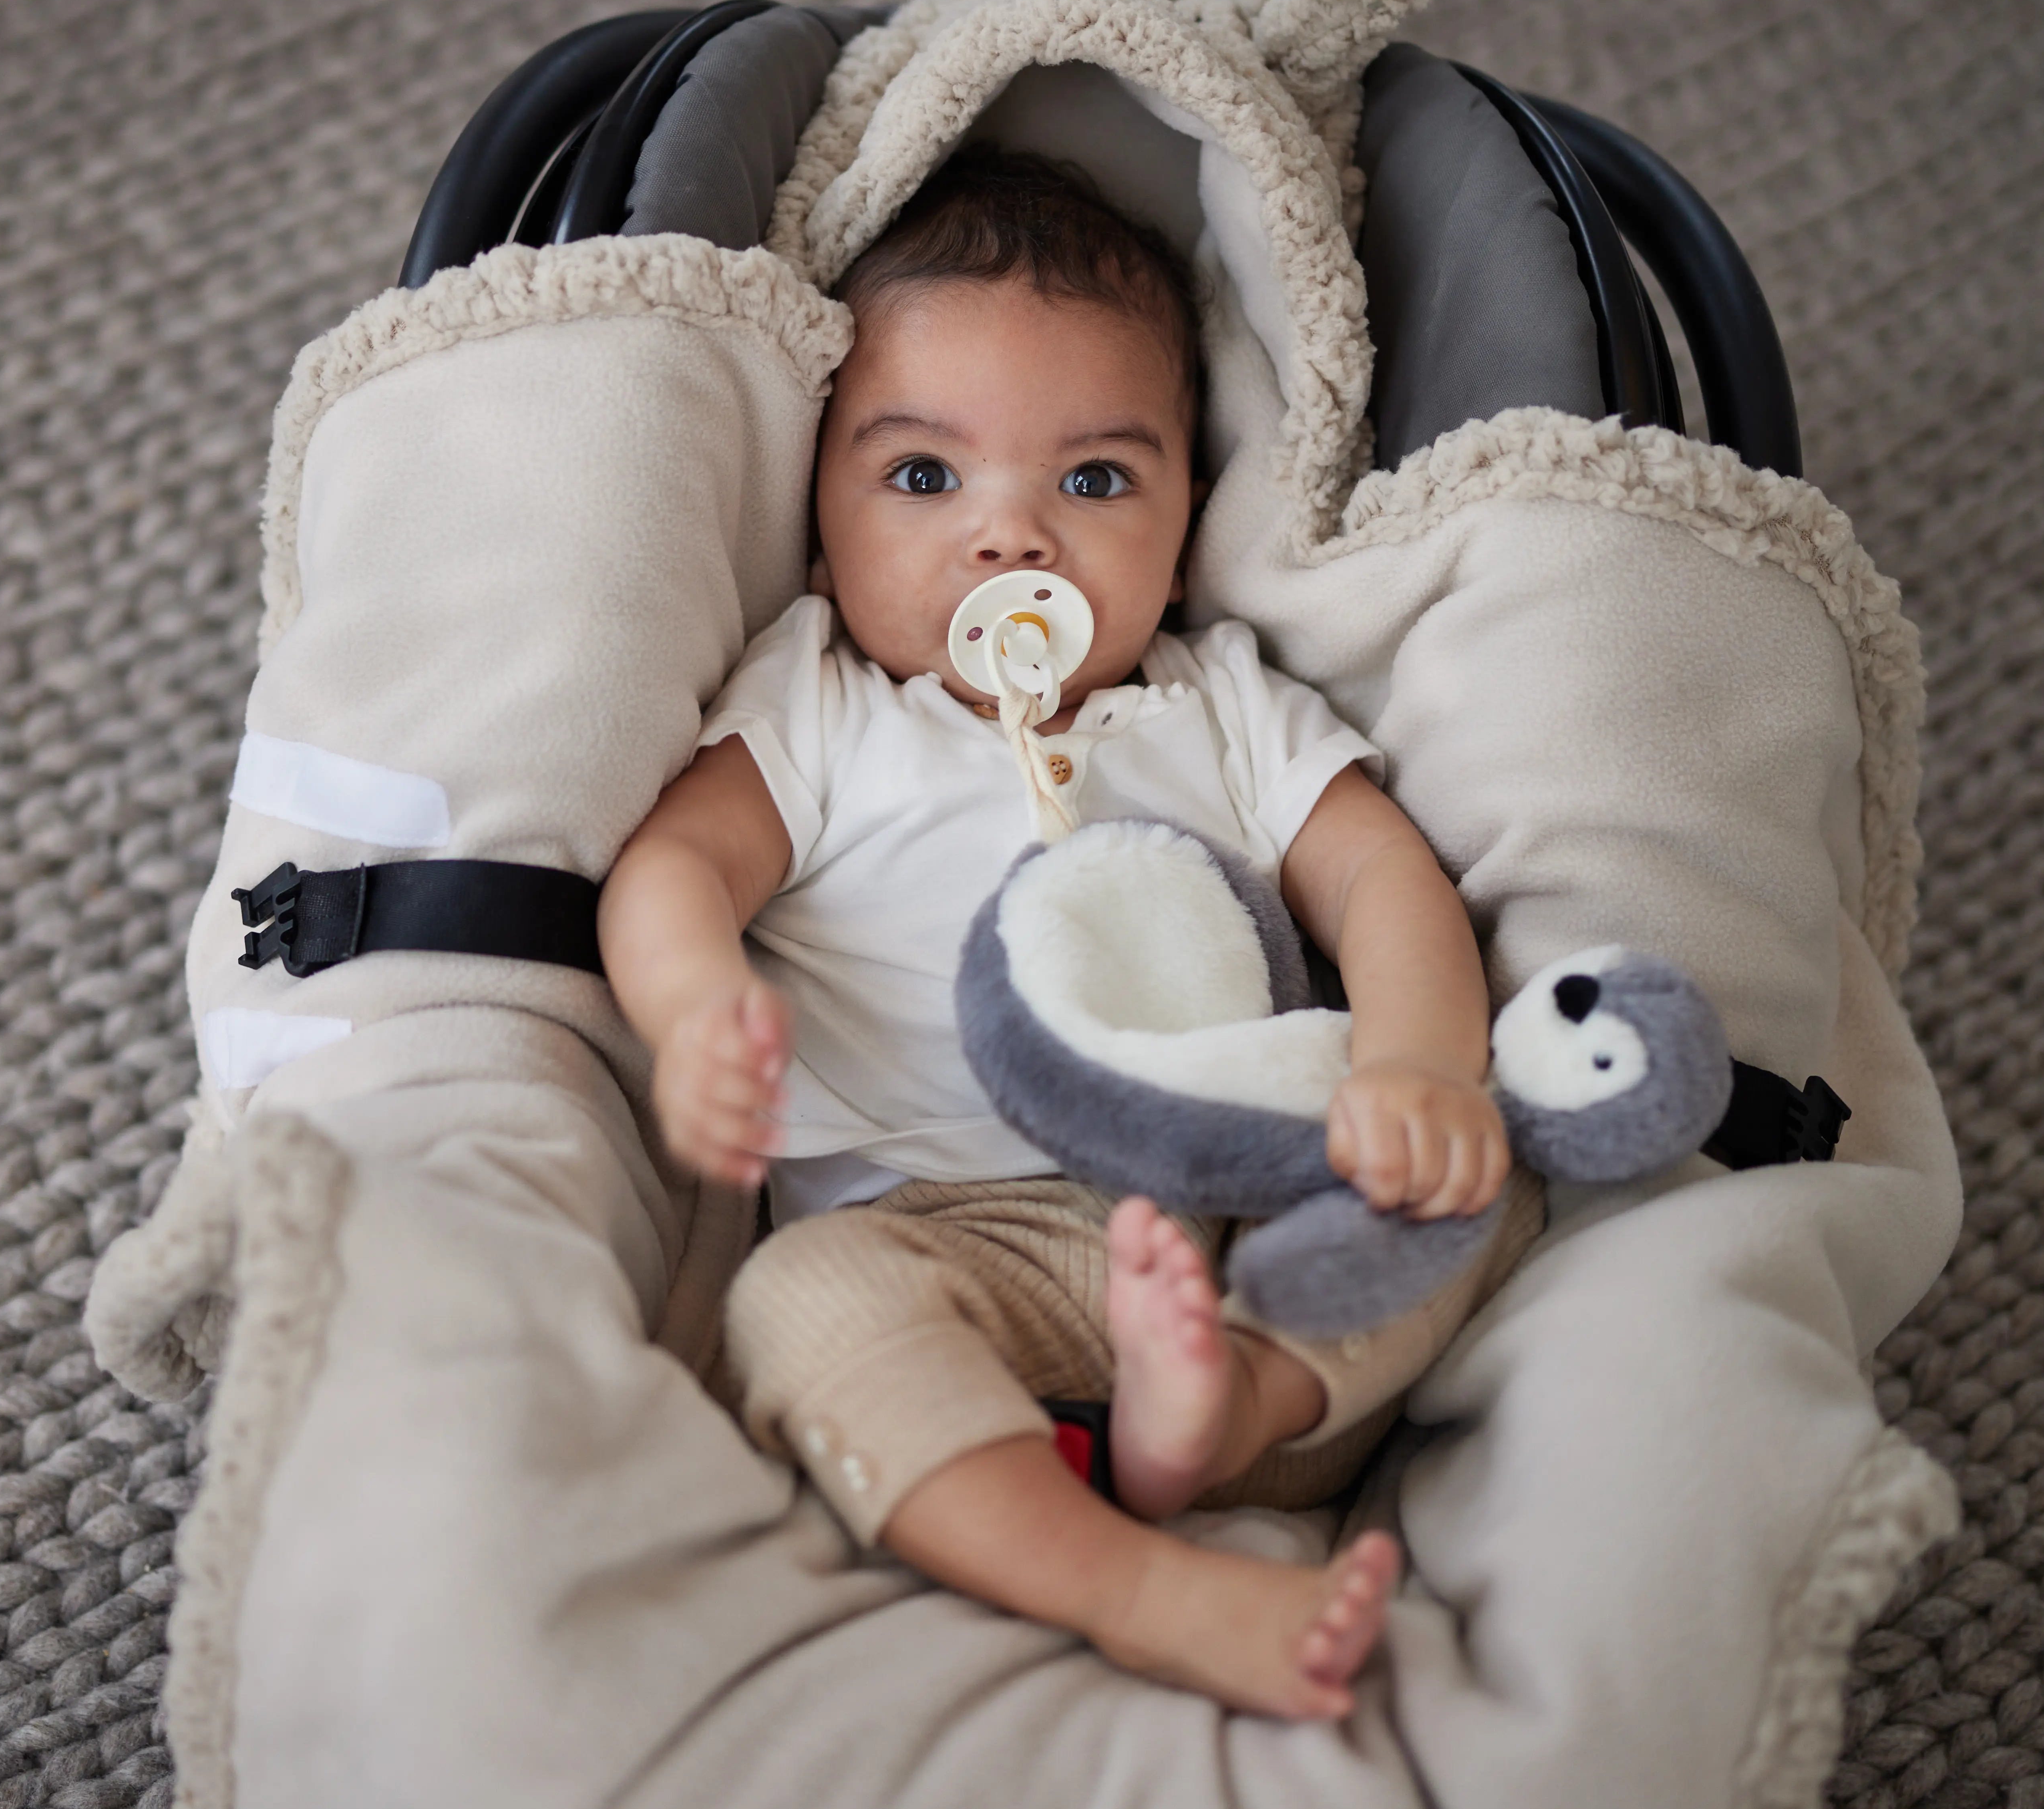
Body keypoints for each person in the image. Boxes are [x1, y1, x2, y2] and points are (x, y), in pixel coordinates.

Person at [598, 146, 1524, 1720]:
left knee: (1465, 1199)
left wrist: (1422, 1065)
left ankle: (1220, 1422)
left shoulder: (1214, 704)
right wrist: (692, 1012)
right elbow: (672, 868)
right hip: (939, 1240)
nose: (1008, 539)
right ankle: (1140, 1584)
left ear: (1184, 514)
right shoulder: (825, 707)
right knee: (796, 1309)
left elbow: (1379, 879)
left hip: (1243, 1238)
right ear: (816, 521)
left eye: (1092, 480)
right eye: (921, 477)